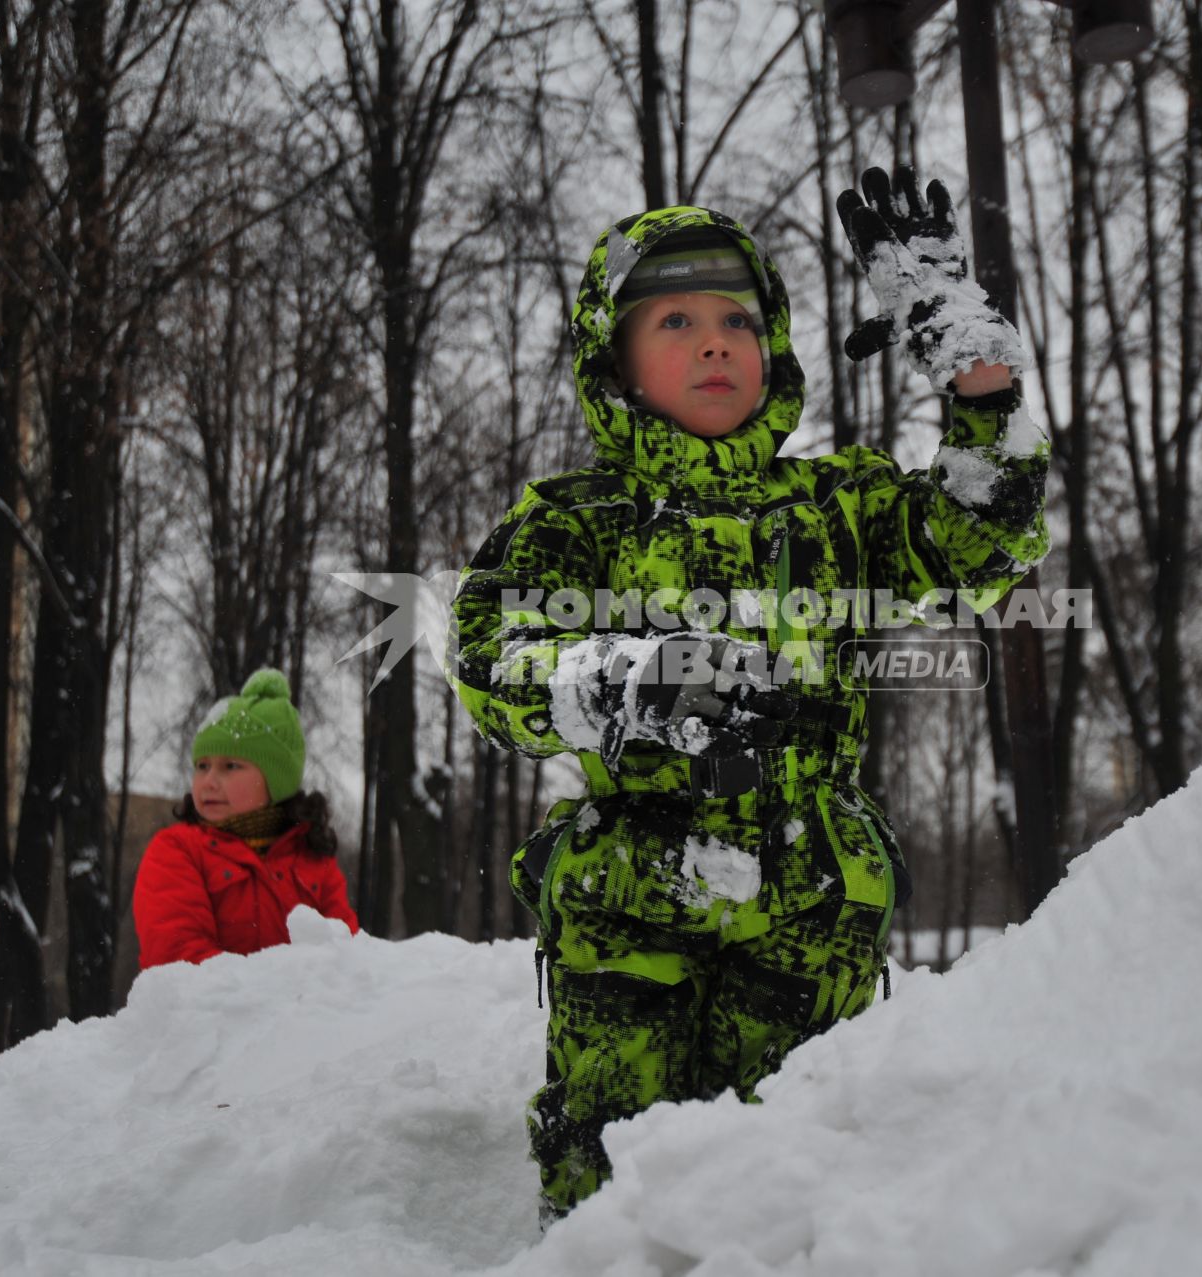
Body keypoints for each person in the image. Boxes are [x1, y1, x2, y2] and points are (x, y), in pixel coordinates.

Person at [449, 167, 1052, 1221]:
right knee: (614, 1200)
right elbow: (492, 650)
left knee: (810, 1186)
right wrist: (625, 679)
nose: (715, 340)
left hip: (813, 911)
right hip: (631, 909)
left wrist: (976, 376)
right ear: (614, 355)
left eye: (737, 317)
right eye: (674, 318)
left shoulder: (840, 506)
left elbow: (979, 544)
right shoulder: (577, 518)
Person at [134, 668, 359, 969]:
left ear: (274, 781)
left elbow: (348, 959)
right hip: (210, 1014)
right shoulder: (176, 851)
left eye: (230, 766)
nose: (209, 780)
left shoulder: (313, 859)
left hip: (306, 1015)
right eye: (202, 766)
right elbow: (179, 960)